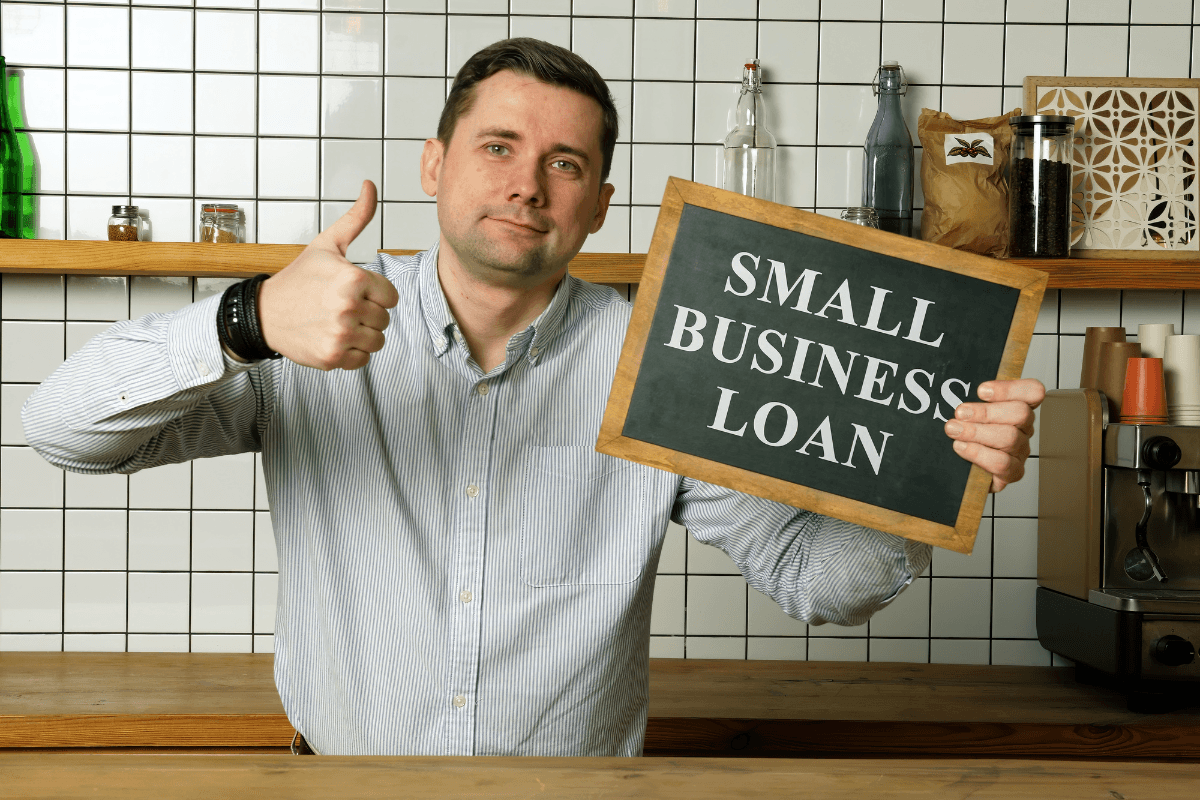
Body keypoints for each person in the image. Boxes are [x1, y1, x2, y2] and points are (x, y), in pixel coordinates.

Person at [22, 38, 1044, 757]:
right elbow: (62, 431)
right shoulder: (306, 328)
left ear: (598, 205)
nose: (527, 185)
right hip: (342, 785)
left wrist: (934, 473)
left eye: (565, 163)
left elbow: (818, 581)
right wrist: (243, 319)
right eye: (498, 147)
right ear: (434, 165)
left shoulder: (663, 360)